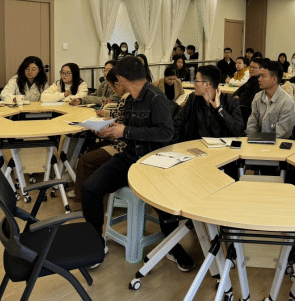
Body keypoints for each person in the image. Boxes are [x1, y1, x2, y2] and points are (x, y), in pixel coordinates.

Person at [81, 56, 195, 271]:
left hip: (153, 162)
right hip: (129, 157)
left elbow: (166, 133)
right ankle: (95, 244)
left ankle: (172, 246)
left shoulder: (156, 98)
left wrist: (125, 130)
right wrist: (111, 130)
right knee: (90, 189)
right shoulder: (131, 100)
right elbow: (128, 130)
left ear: (122, 79)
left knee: (164, 206)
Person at [71, 68, 128, 202]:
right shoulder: (130, 96)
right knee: (91, 149)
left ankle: (84, 199)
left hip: (123, 146)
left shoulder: (126, 97)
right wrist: (107, 116)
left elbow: (121, 126)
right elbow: (121, 116)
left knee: (85, 160)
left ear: (118, 83)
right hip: (124, 141)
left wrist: (103, 128)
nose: (112, 90)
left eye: (112, 86)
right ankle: (89, 191)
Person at [172, 65, 244, 143]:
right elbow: (177, 123)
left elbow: (238, 131)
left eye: (196, 80)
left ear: (207, 84)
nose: (194, 84)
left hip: (222, 148)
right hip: (196, 145)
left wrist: (220, 109)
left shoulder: (230, 101)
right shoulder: (193, 99)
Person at [246, 61, 295, 139]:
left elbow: (282, 134)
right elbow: (252, 124)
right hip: (257, 142)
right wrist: (251, 139)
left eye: (263, 76)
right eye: (260, 76)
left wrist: (261, 141)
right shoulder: (258, 97)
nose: (259, 79)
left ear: (274, 80)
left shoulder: (286, 102)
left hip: (277, 144)